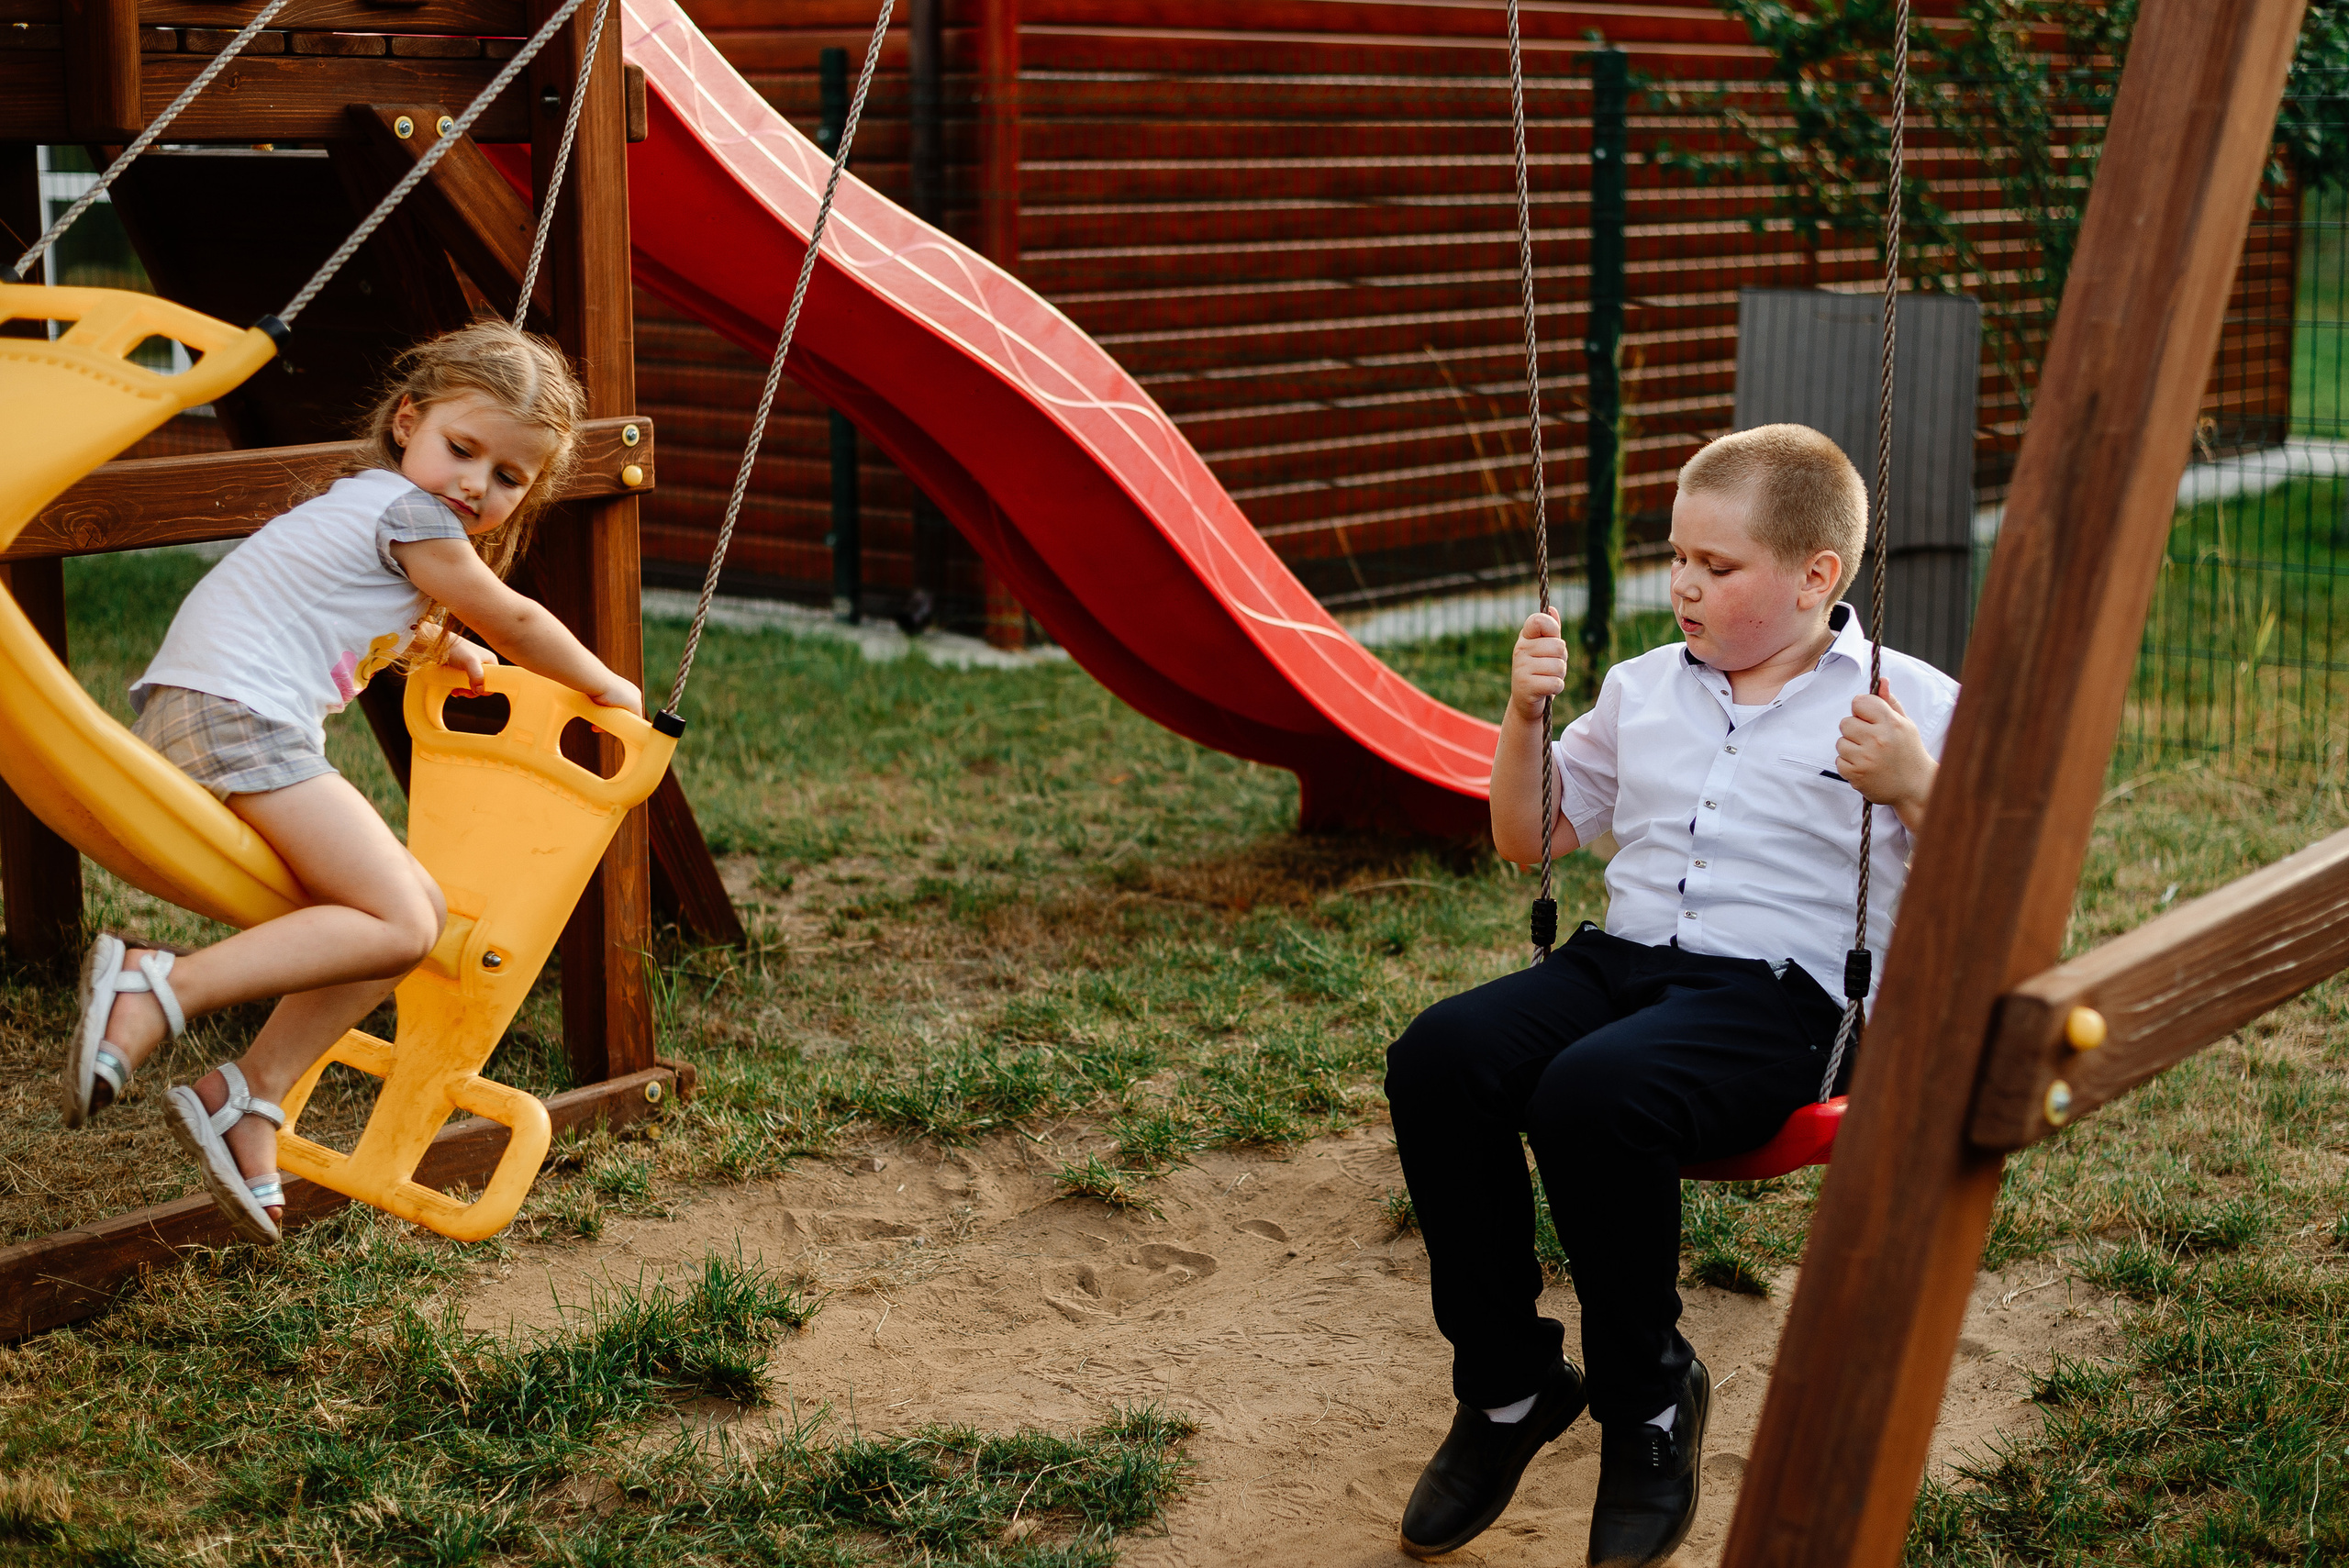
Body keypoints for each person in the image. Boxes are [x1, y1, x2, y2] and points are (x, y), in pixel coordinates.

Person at [1386, 424, 1960, 1568]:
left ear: (1815, 576)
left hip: (1787, 1000)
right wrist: (1519, 718)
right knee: (1440, 1054)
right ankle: (1508, 1387)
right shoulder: (1642, 687)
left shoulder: (1910, 704)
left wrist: (1914, 787)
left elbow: (1990, 893)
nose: (1683, 583)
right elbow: (1527, 837)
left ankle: (1647, 1403)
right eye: (1676, 554)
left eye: (1718, 564)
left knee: (1591, 1093)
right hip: (1625, 963)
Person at [57, 320, 640, 1246]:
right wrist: (601, 685)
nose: (474, 484)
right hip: (233, 711)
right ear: (406, 420)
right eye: (461, 448)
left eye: (507, 476)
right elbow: (516, 612)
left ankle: (246, 1097)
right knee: (403, 918)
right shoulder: (415, 516)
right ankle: (155, 982)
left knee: (409, 916)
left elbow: (374, 613)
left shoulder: (371, 508)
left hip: (213, 707)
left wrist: (449, 645)